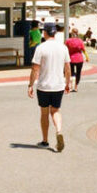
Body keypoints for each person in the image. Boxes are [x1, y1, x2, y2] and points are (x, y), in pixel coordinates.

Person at [27, 23, 70, 152]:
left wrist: (30, 85)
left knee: (44, 113)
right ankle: (59, 131)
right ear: (55, 33)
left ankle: (45, 141)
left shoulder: (41, 48)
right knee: (55, 111)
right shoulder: (63, 48)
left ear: (45, 33)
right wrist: (68, 83)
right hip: (58, 85)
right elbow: (67, 68)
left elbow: (35, 69)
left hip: (44, 86)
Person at [65, 28, 89, 92]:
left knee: (71, 72)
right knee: (78, 73)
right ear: (77, 33)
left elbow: (65, 50)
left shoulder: (68, 41)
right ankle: (75, 86)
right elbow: (83, 50)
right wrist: (87, 57)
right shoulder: (80, 41)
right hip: (79, 59)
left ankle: (71, 86)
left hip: (70, 59)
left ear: (71, 33)